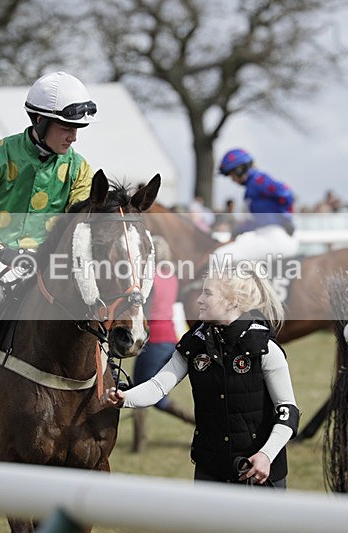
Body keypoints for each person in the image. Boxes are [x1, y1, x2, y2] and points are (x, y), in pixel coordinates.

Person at [0, 71, 97, 402]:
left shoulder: (80, 169)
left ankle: (105, 377)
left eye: (77, 129)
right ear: (39, 121)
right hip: (2, 257)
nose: (74, 138)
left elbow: (82, 221)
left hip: (54, 261)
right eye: (67, 127)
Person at [101, 261, 300, 487]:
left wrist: (266, 455)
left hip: (259, 474)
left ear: (232, 300)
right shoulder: (194, 342)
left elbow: (288, 412)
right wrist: (124, 398)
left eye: (207, 293)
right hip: (210, 471)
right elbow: (158, 386)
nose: (199, 299)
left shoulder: (264, 346)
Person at [132, 236, 194, 423]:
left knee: (139, 391)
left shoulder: (149, 279)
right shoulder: (171, 277)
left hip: (155, 339)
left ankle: (193, 421)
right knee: (145, 390)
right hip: (171, 338)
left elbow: (147, 311)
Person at [214, 148, 298, 264]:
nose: (232, 180)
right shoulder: (252, 187)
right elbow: (254, 221)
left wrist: (287, 218)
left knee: (220, 256)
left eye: (232, 175)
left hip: (274, 237)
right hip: (266, 235)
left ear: (240, 170)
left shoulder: (258, 181)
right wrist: (236, 233)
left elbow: (286, 193)